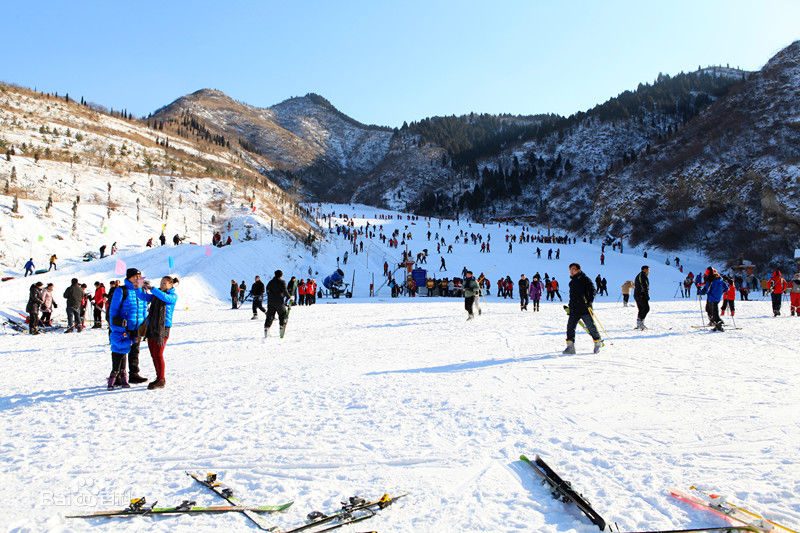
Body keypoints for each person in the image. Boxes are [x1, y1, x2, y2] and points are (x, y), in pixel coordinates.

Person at [107, 268, 153, 389]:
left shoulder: (141, 289)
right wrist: (114, 326)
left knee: (135, 350)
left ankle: (134, 374)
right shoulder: (121, 290)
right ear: (130, 277)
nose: (139, 279)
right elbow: (113, 310)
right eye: (137, 277)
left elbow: (144, 307)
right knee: (120, 351)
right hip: (123, 327)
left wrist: (145, 323)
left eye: (140, 277)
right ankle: (117, 375)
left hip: (138, 326)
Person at [145, 276, 179, 390]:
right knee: (153, 353)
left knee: (158, 354)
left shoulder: (172, 296)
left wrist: (153, 288)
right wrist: (139, 288)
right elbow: (144, 297)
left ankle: (161, 379)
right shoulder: (157, 294)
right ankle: (158, 377)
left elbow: (165, 298)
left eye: (165, 283)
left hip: (163, 327)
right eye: (161, 283)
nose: (162, 285)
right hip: (152, 326)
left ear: (171, 285)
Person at [563, 263, 603, 354]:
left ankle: (597, 342)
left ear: (578, 270)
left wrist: (589, 301)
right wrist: (570, 306)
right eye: (570, 269)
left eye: (573, 269)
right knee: (570, 327)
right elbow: (572, 296)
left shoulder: (585, 279)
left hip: (585, 308)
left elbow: (593, 291)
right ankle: (570, 347)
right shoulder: (572, 282)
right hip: (574, 309)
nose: (571, 271)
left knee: (591, 326)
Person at [264, 270, 291, 337]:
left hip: (270, 302)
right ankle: (281, 329)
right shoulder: (282, 282)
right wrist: (290, 297)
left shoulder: (270, 282)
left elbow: (267, 290)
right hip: (279, 302)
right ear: (281, 275)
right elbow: (285, 291)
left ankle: (266, 329)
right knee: (282, 315)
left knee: (270, 316)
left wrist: (271, 296)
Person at [634, 265, 650, 330]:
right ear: (645, 269)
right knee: (646, 308)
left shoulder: (640, 275)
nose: (649, 271)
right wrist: (646, 295)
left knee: (641, 309)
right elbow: (644, 286)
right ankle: (641, 323)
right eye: (648, 270)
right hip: (641, 294)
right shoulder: (643, 275)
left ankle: (639, 324)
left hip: (637, 294)